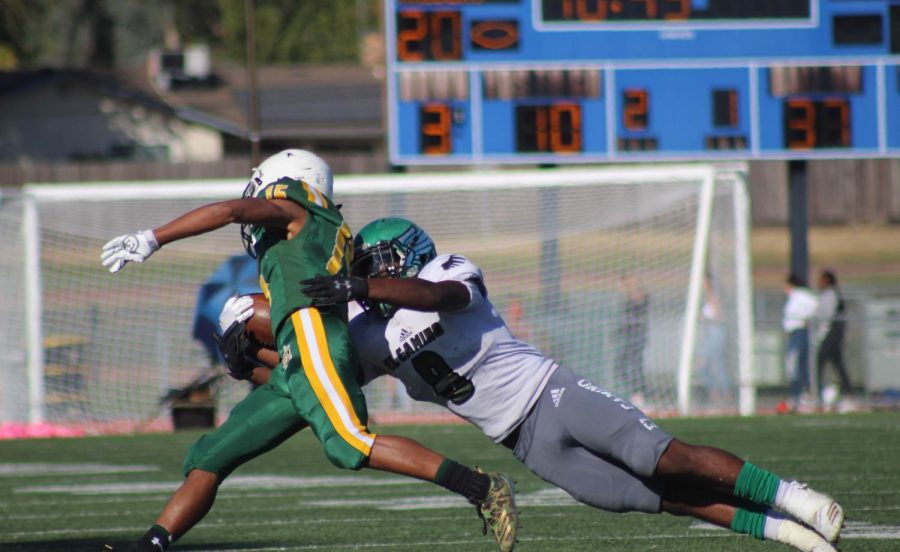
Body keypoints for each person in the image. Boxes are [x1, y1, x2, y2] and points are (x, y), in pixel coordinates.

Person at [285, 217, 843, 552]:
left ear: (402, 256)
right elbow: (323, 381)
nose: (368, 281)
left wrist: (362, 284)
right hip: (522, 441)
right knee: (648, 497)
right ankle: (783, 534)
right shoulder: (368, 335)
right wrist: (266, 350)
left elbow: (441, 300)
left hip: (551, 393)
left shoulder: (443, 270)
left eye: (375, 267)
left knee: (660, 457)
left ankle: (794, 497)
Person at [99, 151, 518, 552]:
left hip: (311, 329)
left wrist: (153, 238)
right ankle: (150, 544)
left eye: (263, 191)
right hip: (297, 344)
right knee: (211, 454)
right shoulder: (302, 238)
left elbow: (231, 211)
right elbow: (297, 388)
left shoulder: (303, 206)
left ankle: (483, 489)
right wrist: (244, 361)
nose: (257, 201)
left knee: (348, 444)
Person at [814, 269, 851, 410]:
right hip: (828, 333)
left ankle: (819, 391)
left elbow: (826, 315)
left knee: (821, 361)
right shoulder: (826, 295)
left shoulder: (831, 295)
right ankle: (845, 391)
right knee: (837, 363)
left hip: (831, 333)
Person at [782, 274, 820, 413]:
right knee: (797, 364)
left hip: (800, 332)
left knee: (796, 363)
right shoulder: (794, 297)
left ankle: (802, 394)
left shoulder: (801, 295)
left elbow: (816, 305)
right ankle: (799, 394)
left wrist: (806, 318)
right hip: (794, 333)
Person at [696, 272, 731, 406]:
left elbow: (718, 317)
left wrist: (705, 318)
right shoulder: (705, 298)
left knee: (717, 365)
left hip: (716, 333)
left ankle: (726, 394)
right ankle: (715, 395)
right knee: (702, 367)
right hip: (708, 334)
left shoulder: (714, 297)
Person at [615, 273, 650, 404]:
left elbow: (639, 301)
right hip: (628, 336)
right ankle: (635, 393)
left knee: (635, 365)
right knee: (621, 365)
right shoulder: (626, 298)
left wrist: (630, 286)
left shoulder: (639, 295)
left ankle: (639, 394)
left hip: (638, 336)